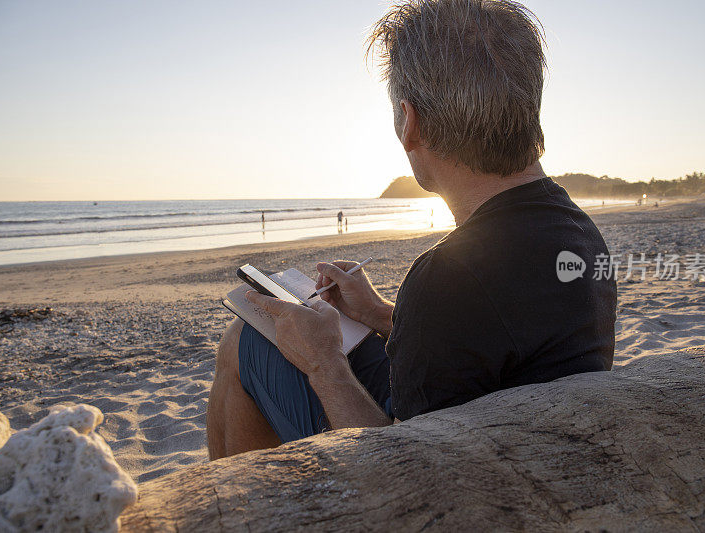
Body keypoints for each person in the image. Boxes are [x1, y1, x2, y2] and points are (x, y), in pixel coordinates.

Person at [206, 0, 616, 457]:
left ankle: (239, 504)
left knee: (243, 342)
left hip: (467, 471)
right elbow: (502, 340)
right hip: (523, 433)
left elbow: (400, 462)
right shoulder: (580, 233)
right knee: (252, 338)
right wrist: (380, 314)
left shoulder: (448, 278)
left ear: (410, 122)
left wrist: (324, 362)